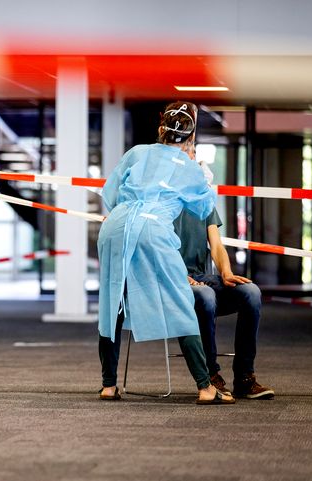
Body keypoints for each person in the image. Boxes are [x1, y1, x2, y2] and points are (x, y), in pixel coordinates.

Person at [97, 101, 234, 404]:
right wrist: (200, 179)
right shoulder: (189, 168)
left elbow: (110, 194)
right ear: (189, 137)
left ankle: (108, 384)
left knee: (112, 301)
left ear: (160, 129)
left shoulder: (136, 152)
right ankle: (205, 385)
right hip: (153, 229)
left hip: (115, 226)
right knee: (181, 301)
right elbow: (202, 208)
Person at [174, 203, 275, 399]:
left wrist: (226, 272)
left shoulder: (202, 201)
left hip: (201, 276)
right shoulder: (161, 199)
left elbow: (217, 246)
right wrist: (180, 275)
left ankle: (245, 378)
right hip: (171, 280)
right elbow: (156, 251)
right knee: (206, 295)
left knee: (251, 292)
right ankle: (210, 376)